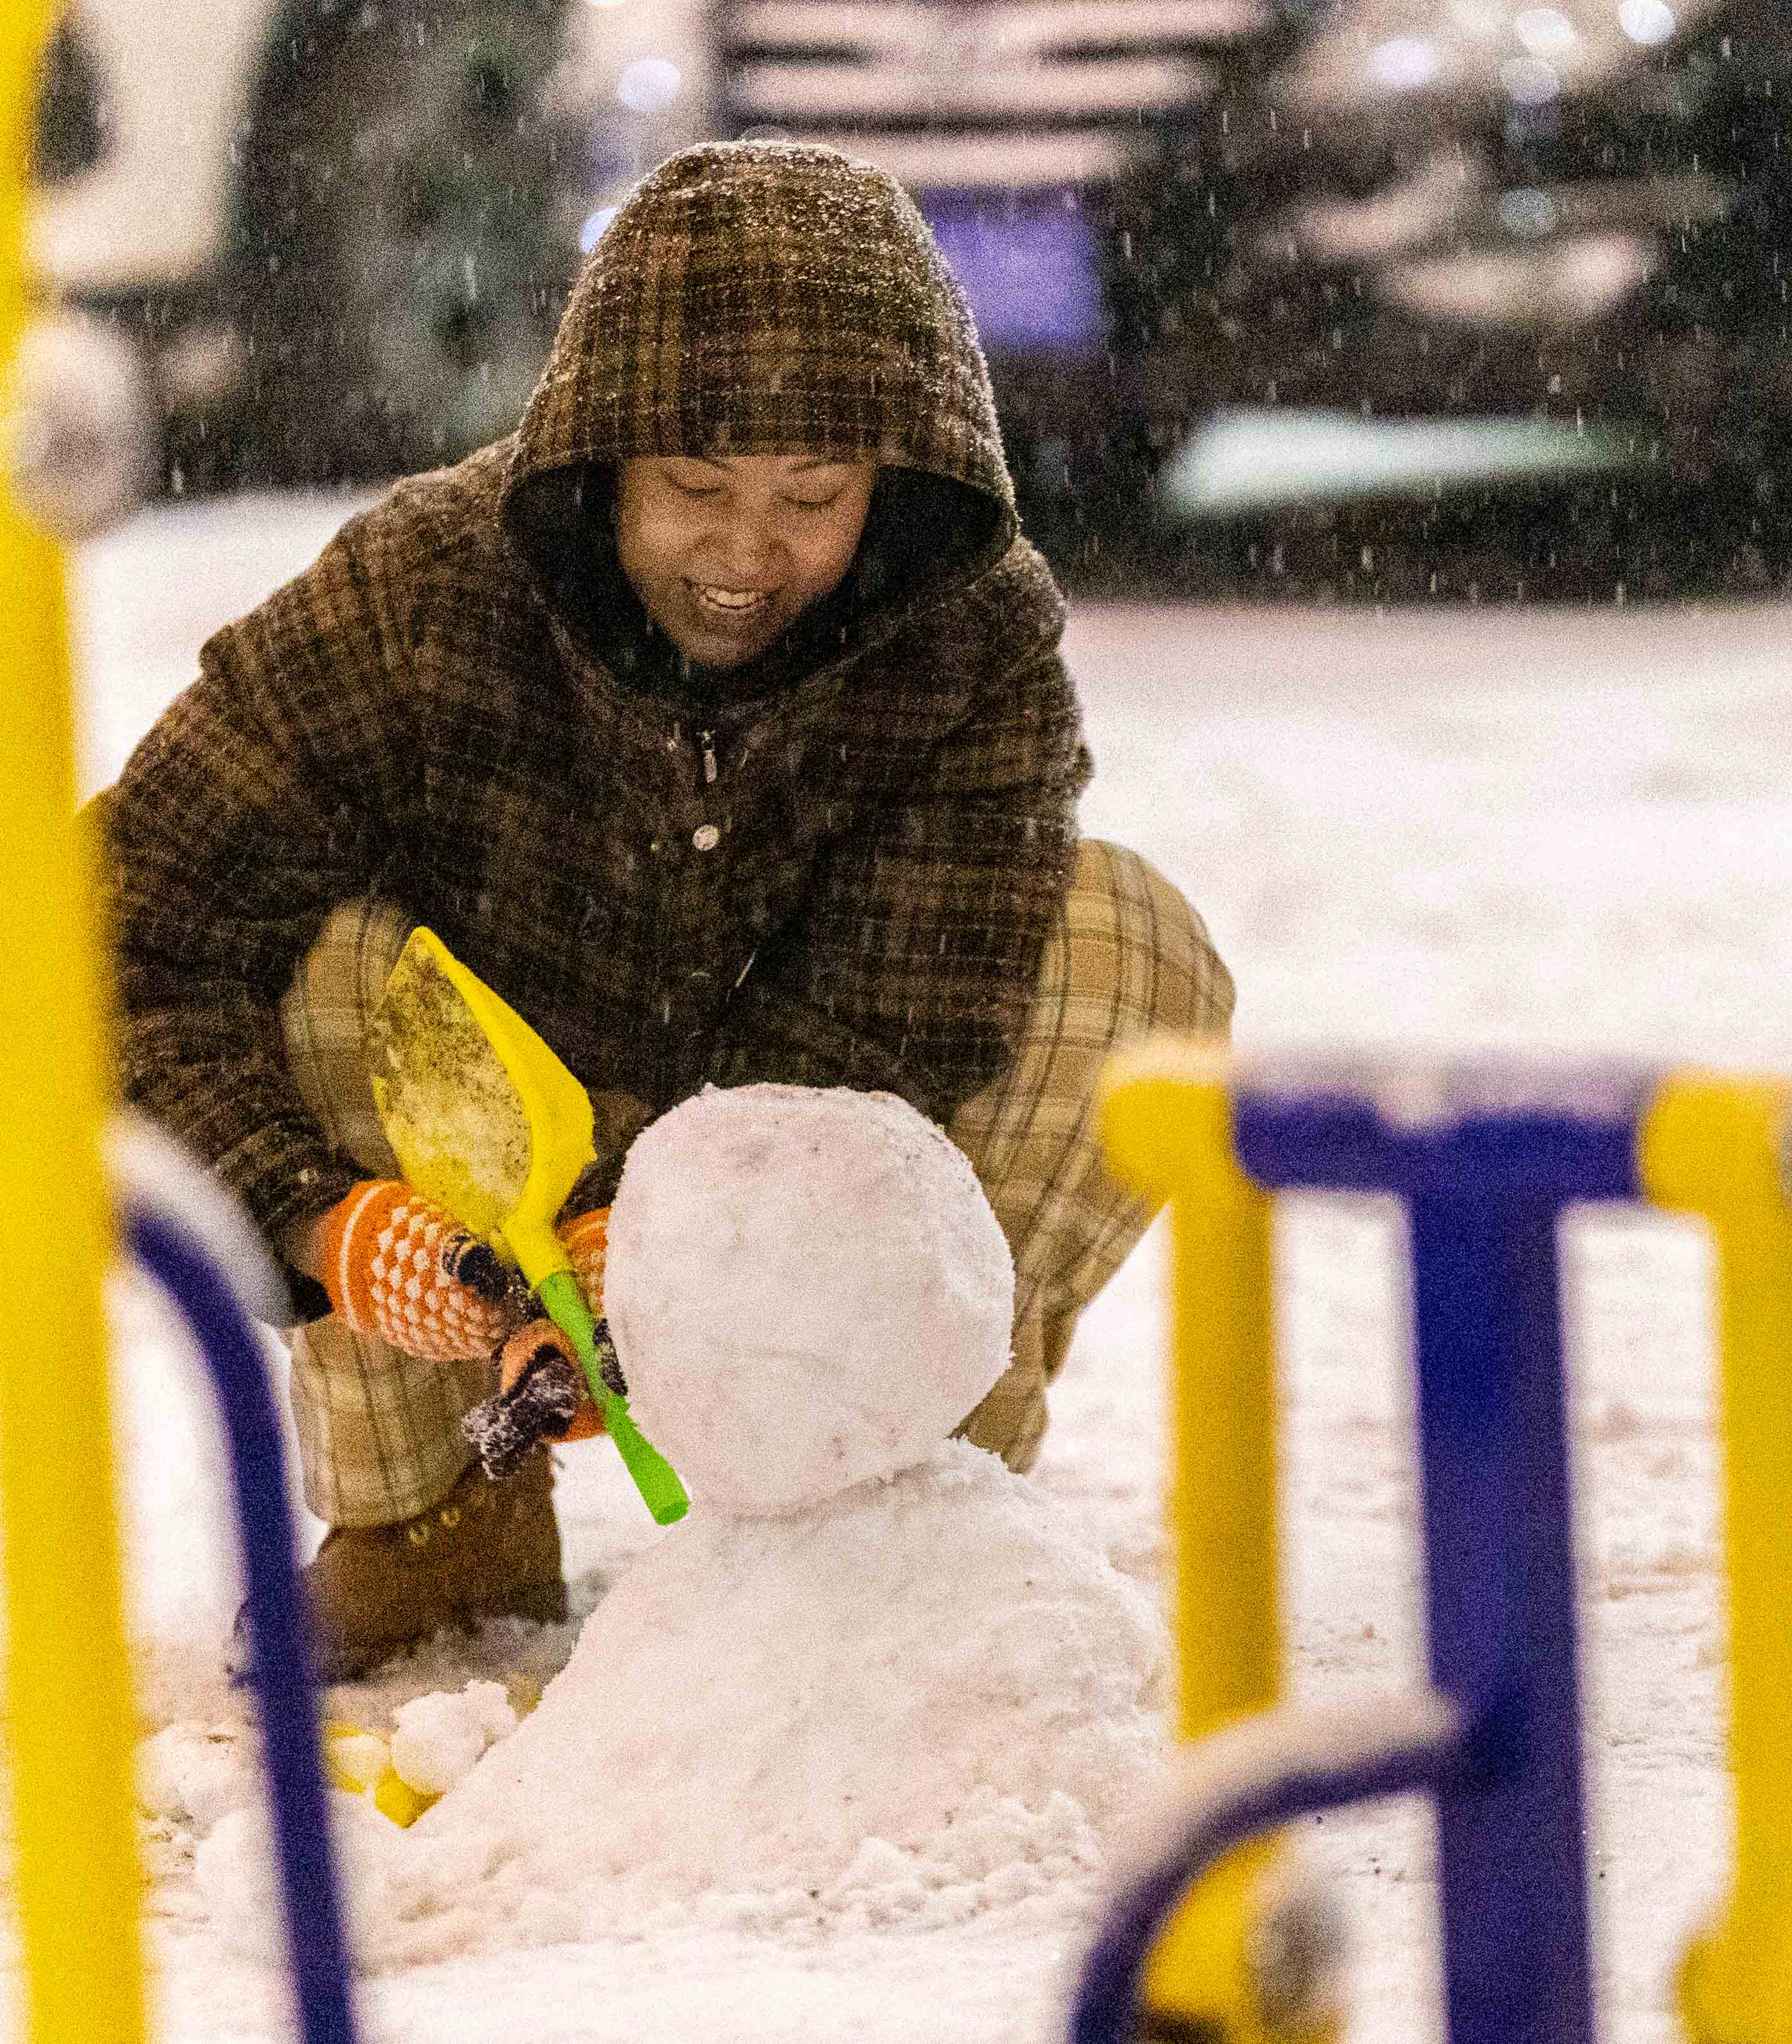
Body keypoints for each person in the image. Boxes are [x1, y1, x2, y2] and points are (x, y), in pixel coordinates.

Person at [89, 139, 1232, 1679]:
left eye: (810, 497)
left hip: (787, 1112)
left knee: (1128, 949)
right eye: (693, 486)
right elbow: (98, 928)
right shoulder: (416, 592)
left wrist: (686, 1231)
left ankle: (890, 1505)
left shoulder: (965, 635)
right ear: (596, 456)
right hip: (478, 1113)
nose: (747, 549)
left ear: (891, 489)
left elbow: (903, 1024)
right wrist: (319, 1215)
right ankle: (438, 1517)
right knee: (323, 961)